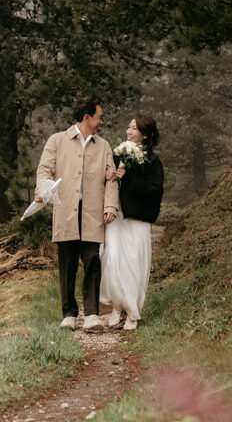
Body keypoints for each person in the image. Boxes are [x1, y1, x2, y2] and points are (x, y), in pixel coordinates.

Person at [36, 96, 119, 330]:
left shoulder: (103, 146)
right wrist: (42, 190)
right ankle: (69, 314)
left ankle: (92, 315)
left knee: (92, 259)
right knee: (68, 261)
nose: (101, 121)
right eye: (99, 117)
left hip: (92, 211)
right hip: (66, 210)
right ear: (87, 117)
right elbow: (44, 170)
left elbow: (111, 179)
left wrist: (110, 207)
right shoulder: (57, 140)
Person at [100, 115, 164, 331]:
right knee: (113, 259)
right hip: (117, 217)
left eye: (134, 128)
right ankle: (117, 307)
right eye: (128, 127)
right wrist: (110, 175)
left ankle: (132, 312)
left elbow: (153, 191)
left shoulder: (153, 162)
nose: (129, 131)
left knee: (134, 264)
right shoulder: (119, 155)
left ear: (145, 134)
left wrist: (128, 175)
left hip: (138, 218)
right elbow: (109, 182)